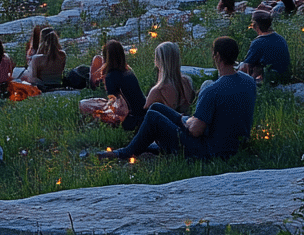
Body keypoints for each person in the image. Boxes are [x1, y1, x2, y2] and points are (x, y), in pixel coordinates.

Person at [99, 36, 256, 162]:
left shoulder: (212, 91)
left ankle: (124, 153)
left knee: (153, 117)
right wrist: (185, 119)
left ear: (217, 56)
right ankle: (145, 146)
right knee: (156, 108)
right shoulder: (249, 81)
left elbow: (195, 131)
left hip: (210, 151)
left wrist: (186, 121)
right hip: (235, 143)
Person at [101, 40, 146, 130]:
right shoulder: (128, 72)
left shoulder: (111, 76)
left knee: (86, 105)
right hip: (143, 115)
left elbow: (114, 105)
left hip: (131, 119)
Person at [239, 10, 291, 84]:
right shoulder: (280, 38)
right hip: (284, 77)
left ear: (256, 25)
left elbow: (246, 65)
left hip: (270, 80)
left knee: (243, 65)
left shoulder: (258, 42)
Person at [144, 41, 195, 113]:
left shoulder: (158, 90)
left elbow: (144, 112)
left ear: (158, 62)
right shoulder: (188, 82)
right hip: (185, 121)